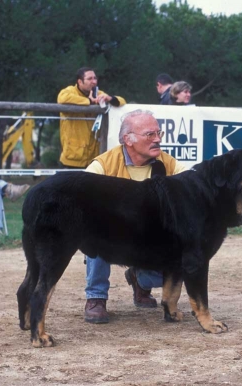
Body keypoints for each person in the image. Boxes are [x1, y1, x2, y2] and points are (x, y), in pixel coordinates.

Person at [83, 109, 186, 324]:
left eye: (159, 133)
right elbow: (80, 202)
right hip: (112, 236)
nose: (157, 139)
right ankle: (96, 298)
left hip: (151, 239)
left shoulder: (169, 164)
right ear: (127, 139)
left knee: (182, 262)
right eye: (150, 134)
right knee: (94, 234)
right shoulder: (102, 165)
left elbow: (192, 193)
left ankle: (139, 279)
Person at [57, 67, 126, 168]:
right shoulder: (69, 91)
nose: (94, 81)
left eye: (95, 78)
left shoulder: (98, 93)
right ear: (80, 82)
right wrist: (90, 102)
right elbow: (62, 98)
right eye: (90, 79)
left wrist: (109, 98)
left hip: (93, 158)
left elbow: (122, 101)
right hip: (72, 158)